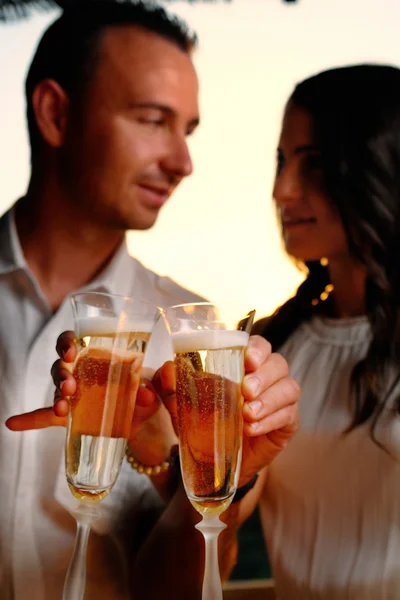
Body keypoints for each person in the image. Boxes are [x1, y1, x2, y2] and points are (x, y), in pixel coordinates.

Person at [2, 2, 300, 599]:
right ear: (56, 114)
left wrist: (219, 479)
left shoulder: (196, 343)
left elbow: (172, 590)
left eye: (186, 129)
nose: (183, 162)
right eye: (151, 120)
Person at [86, 62, 400, 599]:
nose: (282, 189)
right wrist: (194, 466)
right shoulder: (268, 351)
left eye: (315, 164)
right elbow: (181, 575)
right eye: (281, 162)